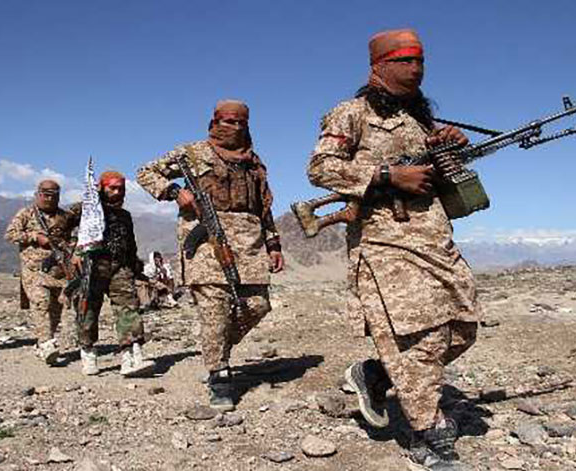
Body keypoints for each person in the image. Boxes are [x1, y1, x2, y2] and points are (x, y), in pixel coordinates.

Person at [306, 29, 479, 468]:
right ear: (378, 66)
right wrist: (387, 175)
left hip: (434, 237)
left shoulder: (419, 120)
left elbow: (436, 174)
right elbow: (321, 168)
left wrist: (450, 147)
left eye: (420, 61)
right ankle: (427, 434)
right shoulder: (352, 113)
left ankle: (375, 373)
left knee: (463, 327)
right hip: (383, 241)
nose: (415, 69)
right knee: (418, 337)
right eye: (404, 61)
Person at [137, 99, 284, 411]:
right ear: (215, 122)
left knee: (258, 305)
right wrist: (175, 192)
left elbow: (264, 207)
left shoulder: (253, 162)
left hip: (249, 242)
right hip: (205, 241)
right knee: (214, 311)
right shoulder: (192, 153)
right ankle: (219, 376)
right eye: (228, 121)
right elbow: (145, 172)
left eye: (241, 123)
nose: (235, 128)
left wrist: (273, 244)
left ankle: (215, 347)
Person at [68, 171, 154, 378]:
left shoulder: (124, 216)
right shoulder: (85, 210)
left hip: (120, 267)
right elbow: (61, 229)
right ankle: (88, 352)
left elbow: (130, 243)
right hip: (92, 267)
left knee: (128, 307)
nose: (117, 192)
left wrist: (135, 268)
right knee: (87, 309)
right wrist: (73, 251)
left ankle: (131, 355)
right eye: (112, 188)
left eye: (121, 189)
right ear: (101, 187)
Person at [5, 180, 76, 365]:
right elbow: (10, 234)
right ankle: (46, 343)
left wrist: (69, 247)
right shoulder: (27, 214)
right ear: (38, 194)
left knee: (56, 308)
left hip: (58, 270)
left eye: (54, 196)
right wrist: (34, 236)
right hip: (34, 269)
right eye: (46, 195)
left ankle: (42, 342)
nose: (49, 199)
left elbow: (73, 236)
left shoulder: (64, 216)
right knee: (41, 303)